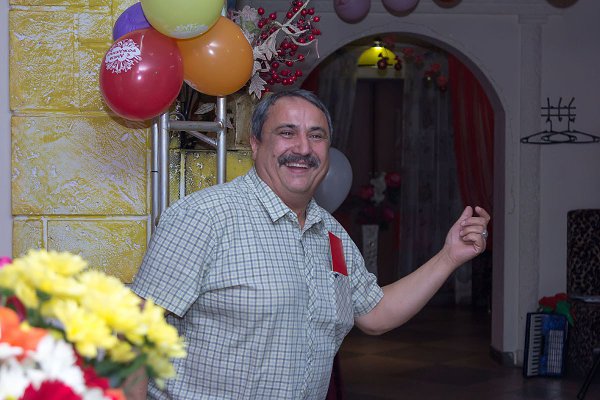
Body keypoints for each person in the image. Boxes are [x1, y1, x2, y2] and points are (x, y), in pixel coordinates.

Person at [131, 89, 490, 399]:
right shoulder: (203, 217)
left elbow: (376, 314)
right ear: (255, 144)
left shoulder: (330, 233)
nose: (303, 148)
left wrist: (449, 256)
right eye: (287, 133)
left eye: (316, 136)